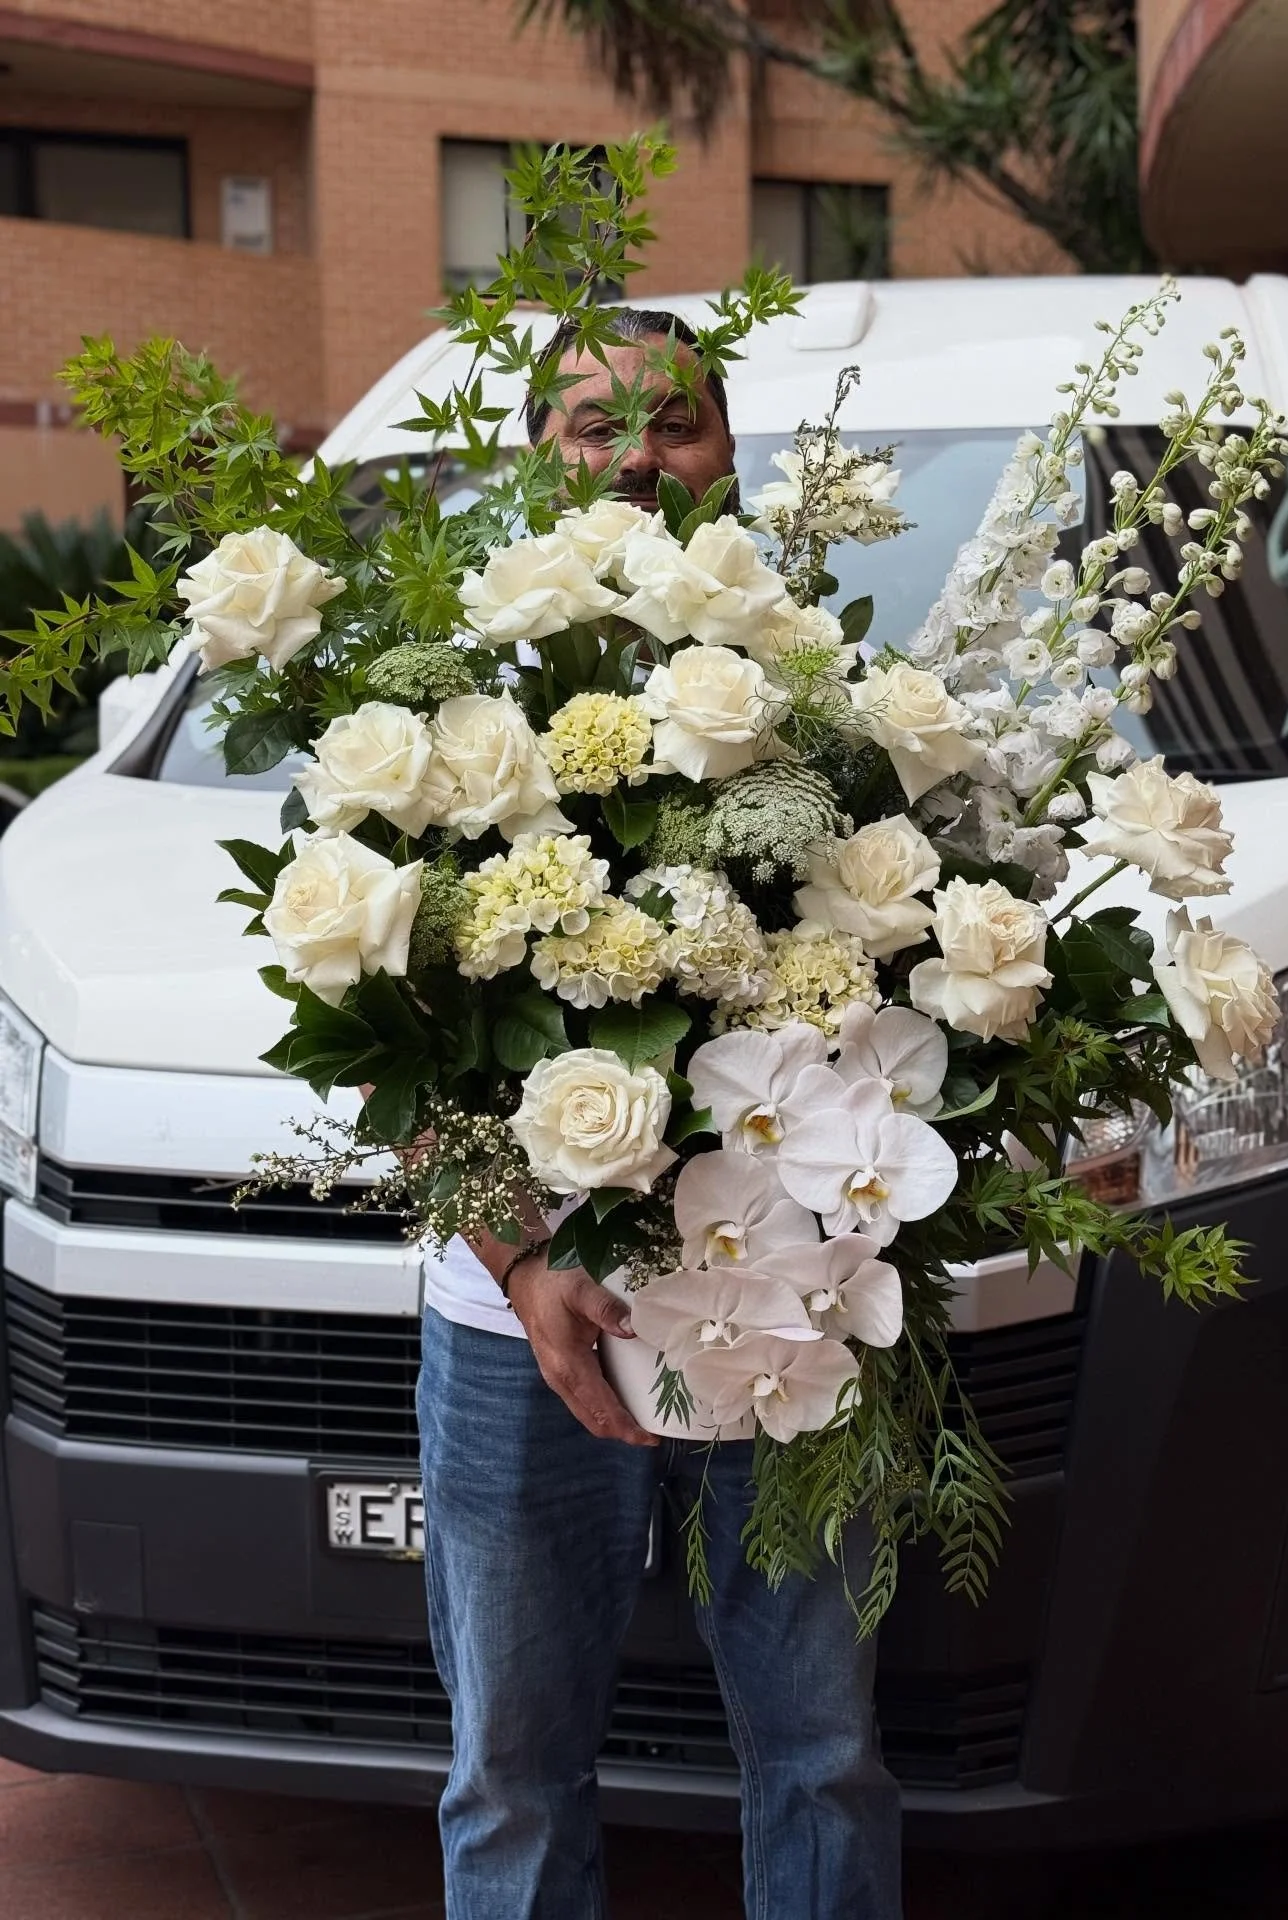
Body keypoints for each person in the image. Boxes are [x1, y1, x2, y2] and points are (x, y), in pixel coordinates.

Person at [417, 308, 903, 1920]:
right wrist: (522, 1267)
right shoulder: (443, 714)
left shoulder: (825, 701)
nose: (632, 455)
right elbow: (387, 1048)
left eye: (675, 423)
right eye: (586, 423)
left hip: (781, 1335)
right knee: (511, 1777)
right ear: (535, 457)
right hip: (513, 1346)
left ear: (729, 456)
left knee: (821, 1752)